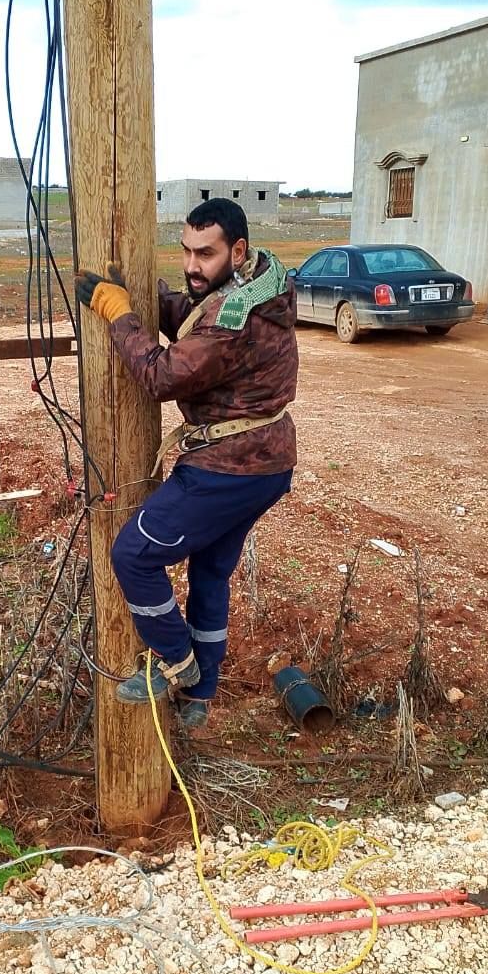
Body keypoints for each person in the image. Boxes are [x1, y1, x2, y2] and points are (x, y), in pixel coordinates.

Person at [75, 197, 298, 728]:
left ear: (237, 250)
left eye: (206, 254)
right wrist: (146, 299)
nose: (192, 266)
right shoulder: (260, 280)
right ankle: (201, 694)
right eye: (186, 252)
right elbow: (194, 312)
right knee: (211, 571)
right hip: (263, 461)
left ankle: (174, 661)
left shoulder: (235, 318)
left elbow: (162, 376)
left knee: (133, 555)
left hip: (230, 465)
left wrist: (119, 315)